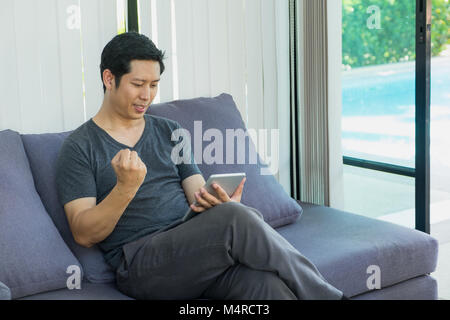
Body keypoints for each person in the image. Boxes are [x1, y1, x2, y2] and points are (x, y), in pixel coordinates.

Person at [55, 32, 345, 300]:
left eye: (154, 85)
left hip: (195, 250)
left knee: (268, 287)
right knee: (236, 218)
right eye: (138, 84)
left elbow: (198, 195)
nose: (147, 95)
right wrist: (125, 189)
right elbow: (83, 232)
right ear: (109, 78)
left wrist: (218, 203)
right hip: (142, 265)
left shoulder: (170, 131)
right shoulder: (80, 146)